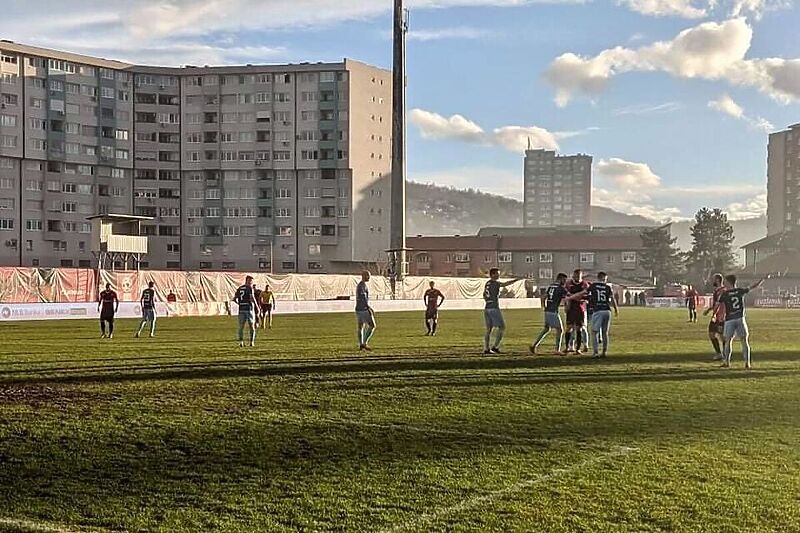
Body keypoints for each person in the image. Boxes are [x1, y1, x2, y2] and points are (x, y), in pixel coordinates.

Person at [714, 274, 765, 369]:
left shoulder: (724, 294)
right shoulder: (739, 291)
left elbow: (717, 305)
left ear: (729, 282)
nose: (724, 283)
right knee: (744, 341)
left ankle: (727, 362)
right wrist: (762, 279)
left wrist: (714, 315)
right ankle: (747, 363)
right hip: (740, 318)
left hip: (729, 320)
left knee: (728, 341)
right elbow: (753, 286)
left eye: (725, 281)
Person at [482, 268, 519, 354]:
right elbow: (505, 284)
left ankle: (486, 348)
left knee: (488, 329)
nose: (499, 275)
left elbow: (484, 295)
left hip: (487, 307)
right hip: (494, 308)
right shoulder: (495, 283)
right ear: (492, 274)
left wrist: (488, 300)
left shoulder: (487, 283)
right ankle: (495, 347)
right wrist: (516, 280)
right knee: (502, 327)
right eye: (497, 274)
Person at [530, 273, 568, 355]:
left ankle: (534, 345)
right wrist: (566, 306)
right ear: (560, 279)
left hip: (547, 310)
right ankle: (557, 350)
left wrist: (544, 306)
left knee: (546, 329)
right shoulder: (561, 288)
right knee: (560, 330)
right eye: (564, 280)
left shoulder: (551, 286)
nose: (565, 282)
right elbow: (567, 298)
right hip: (553, 311)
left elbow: (543, 297)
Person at [584, 272, 619, 358]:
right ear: (603, 278)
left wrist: (573, 297)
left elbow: (585, 293)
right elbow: (612, 299)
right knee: (604, 332)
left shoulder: (593, 286)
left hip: (598, 310)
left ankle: (595, 352)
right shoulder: (607, 287)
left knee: (594, 332)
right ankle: (604, 351)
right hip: (607, 311)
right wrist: (616, 309)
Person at [564, 269, 590, 354]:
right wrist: (567, 303)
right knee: (569, 328)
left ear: (581, 276)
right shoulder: (568, 284)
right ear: (573, 275)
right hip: (571, 308)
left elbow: (586, 296)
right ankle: (567, 347)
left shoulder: (585, 284)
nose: (577, 277)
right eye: (576, 275)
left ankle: (578, 348)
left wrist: (572, 297)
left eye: (579, 276)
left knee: (579, 328)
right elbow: (566, 295)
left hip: (580, 309)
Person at [703, 273, 726, 360]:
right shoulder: (717, 290)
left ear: (717, 280)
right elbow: (716, 304)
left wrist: (714, 315)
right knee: (712, 334)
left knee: (722, 335)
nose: (712, 281)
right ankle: (719, 353)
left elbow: (720, 304)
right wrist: (709, 310)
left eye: (713, 279)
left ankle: (725, 353)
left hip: (721, 317)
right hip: (716, 315)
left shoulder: (723, 290)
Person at [233, 275, 259, 347]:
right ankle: (252, 342)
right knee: (252, 326)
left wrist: (240, 304)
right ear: (248, 280)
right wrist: (257, 307)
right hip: (249, 308)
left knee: (241, 326)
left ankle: (241, 342)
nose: (251, 282)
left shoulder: (240, 288)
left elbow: (234, 299)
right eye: (251, 281)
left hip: (241, 309)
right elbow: (252, 298)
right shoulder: (250, 288)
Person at [356, 271, 376, 351]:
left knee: (361, 326)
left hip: (358, 308)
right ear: (364, 275)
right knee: (372, 325)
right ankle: (364, 343)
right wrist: (368, 308)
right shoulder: (362, 286)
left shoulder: (360, 285)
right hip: (363, 309)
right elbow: (363, 298)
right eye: (368, 276)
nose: (369, 277)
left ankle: (361, 344)